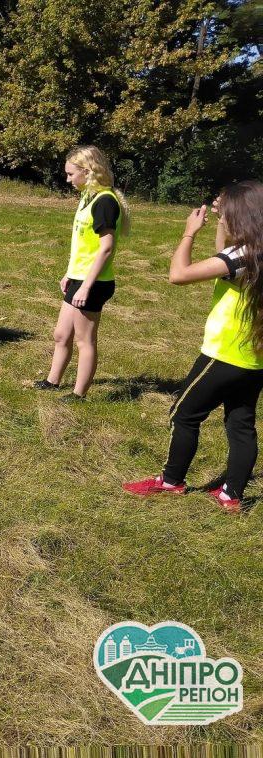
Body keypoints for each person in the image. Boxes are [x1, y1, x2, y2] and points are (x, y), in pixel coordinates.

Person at [124, 181, 263, 513]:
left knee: (183, 414)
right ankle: (232, 495)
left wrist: (189, 232)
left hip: (223, 354)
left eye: (225, 212)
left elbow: (178, 275)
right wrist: (220, 223)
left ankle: (171, 482)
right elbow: (224, 253)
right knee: (241, 424)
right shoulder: (253, 251)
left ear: (240, 215)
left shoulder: (241, 255)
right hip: (254, 359)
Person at [34, 146, 129, 401]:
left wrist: (86, 286)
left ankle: (79, 394)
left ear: (86, 172)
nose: (67, 179)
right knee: (61, 334)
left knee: (84, 340)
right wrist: (69, 273)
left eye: (70, 174)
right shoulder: (88, 197)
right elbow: (81, 244)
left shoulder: (105, 201)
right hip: (78, 278)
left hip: (94, 282)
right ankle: (53, 381)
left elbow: (106, 248)